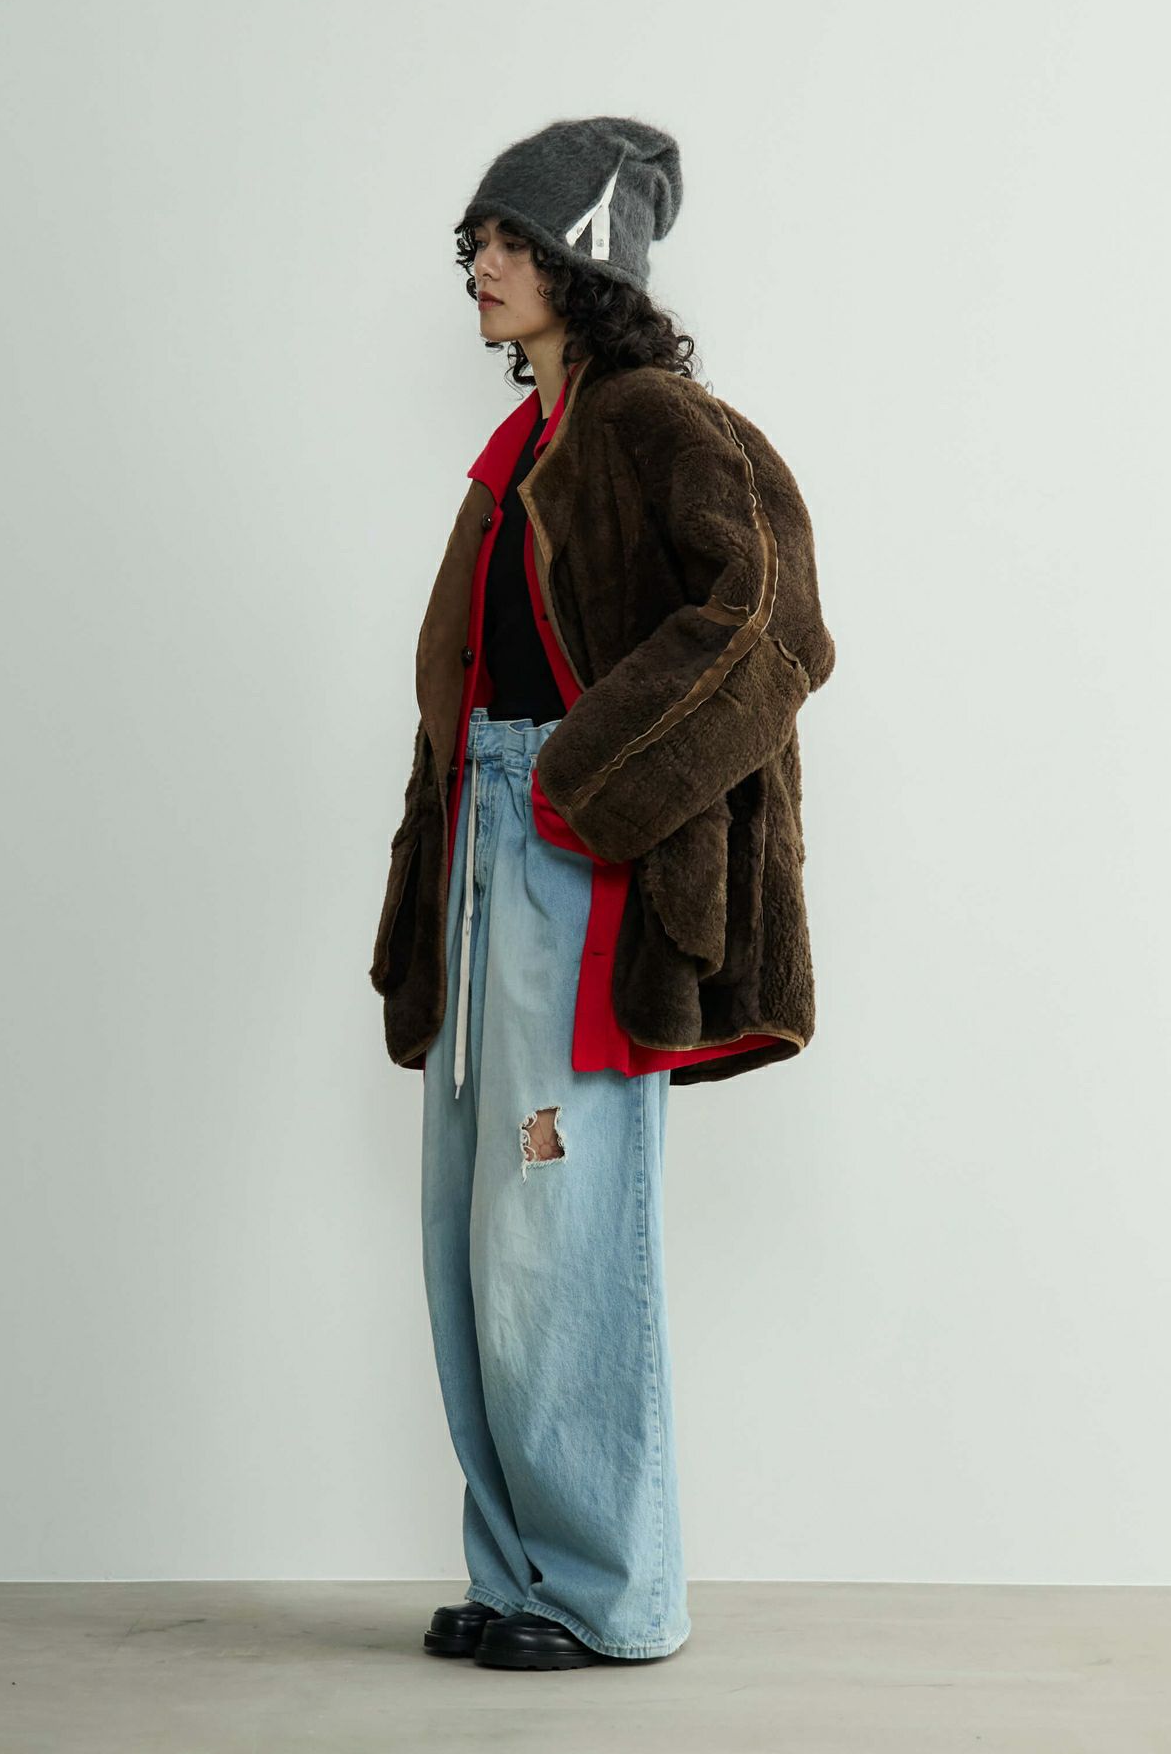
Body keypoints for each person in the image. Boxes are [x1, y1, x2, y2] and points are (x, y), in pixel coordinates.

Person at [369, 116, 837, 1670]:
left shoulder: (661, 424)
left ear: (587, 262)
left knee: (552, 1221)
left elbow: (773, 618)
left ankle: (606, 1593)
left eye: (511, 240)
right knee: (471, 1228)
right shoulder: (521, 453)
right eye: (476, 243)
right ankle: (519, 1575)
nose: (481, 266)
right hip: (485, 864)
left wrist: (588, 782)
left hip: (578, 865)